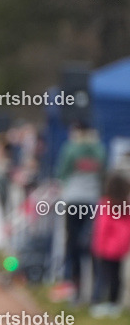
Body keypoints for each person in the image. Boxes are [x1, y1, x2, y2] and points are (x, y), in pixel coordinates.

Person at [56, 121, 105, 302]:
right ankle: (95, 293)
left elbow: (61, 172)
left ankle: (75, 291)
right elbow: (103, 172)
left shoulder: (71, 148)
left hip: (74, 200)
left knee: (73, 246)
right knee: (92, 246)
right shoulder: (99, 148)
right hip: (92, 201)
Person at [89, 171, 130, 318]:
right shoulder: (125, 207)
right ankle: (113, 304)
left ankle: (97, 301)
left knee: (102, 276)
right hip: (119, 249)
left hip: (105, 248)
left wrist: (97, 246)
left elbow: (102, 227)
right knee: (116, 277)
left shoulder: (106, 204)